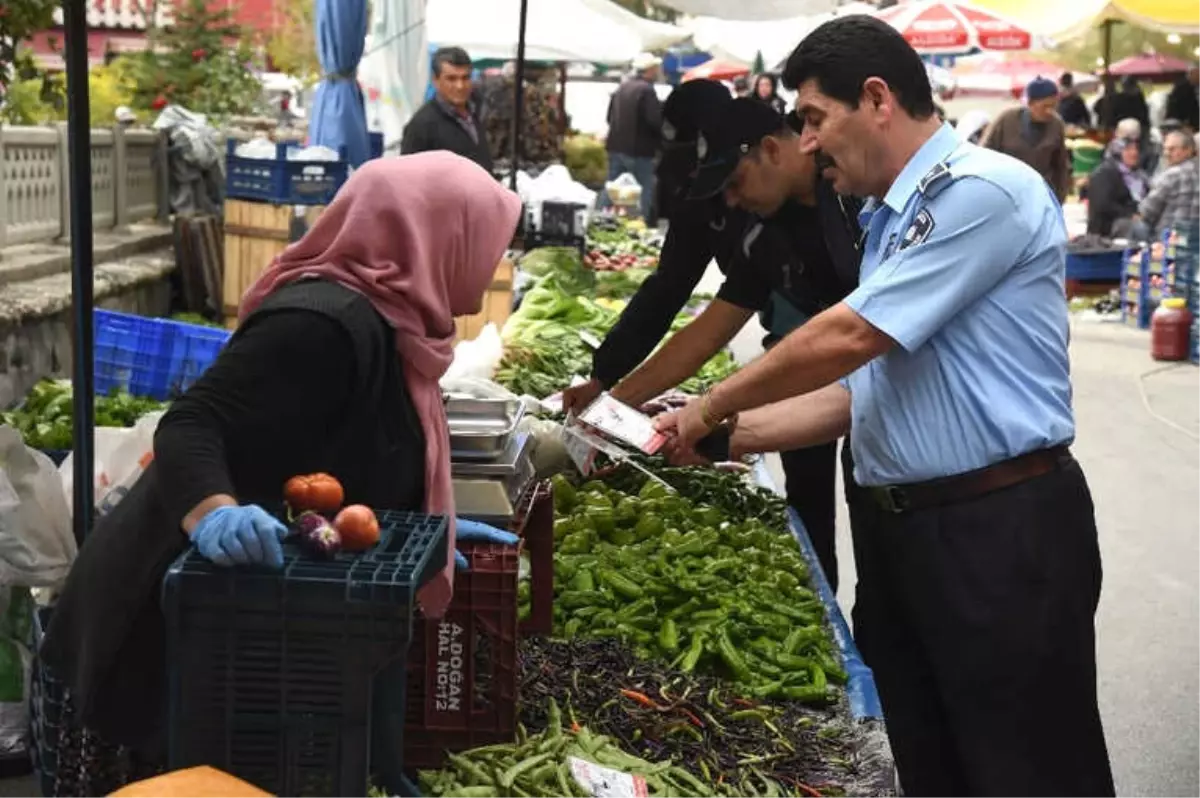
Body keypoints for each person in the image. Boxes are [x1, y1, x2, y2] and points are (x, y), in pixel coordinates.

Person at [657, 15, 1115, 797]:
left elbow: (851, 335)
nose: (805, 144)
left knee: (1028, 768)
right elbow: (861, 395)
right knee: (929, 761)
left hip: (997, 533)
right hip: (906, 538)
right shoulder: (885, 224)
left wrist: (710, 403)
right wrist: (719, 435)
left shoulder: (984, 191)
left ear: (876, 98)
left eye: (812, 118)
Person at [39, 154, 523, 752]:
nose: (495, 262)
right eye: (488, 241)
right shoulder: (321, 323)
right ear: (440, 237)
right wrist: (216, 512)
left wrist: (424, 524)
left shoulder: (397, 325)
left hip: (240, 628)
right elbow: (191, 424)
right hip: (156, 630)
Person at [564, 95, 862, 592]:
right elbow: (706, 329)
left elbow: (851, 334)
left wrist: (714, 407)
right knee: (818, 505)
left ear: (770, 149)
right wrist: (609, 403)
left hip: (898, 398)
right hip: (828, 384)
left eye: (735, 182)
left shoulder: (855, 197)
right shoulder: (763, 235)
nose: (730, 202)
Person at [401, 47, 494, 172]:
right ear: (436, 80)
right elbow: (408, 175)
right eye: (451, 79)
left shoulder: (477, 112)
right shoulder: (422, 125)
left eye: (465, 78)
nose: (460, 86)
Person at [981, 76, 1072, 202]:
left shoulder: (1056, 125)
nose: (1050, 111)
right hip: (1006, 191)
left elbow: (1061, 166)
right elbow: (984, 155)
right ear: (1030, 104)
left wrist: (1059, 198)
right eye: (1045, 106)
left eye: (1054, 106)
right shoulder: (1006, 120)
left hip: (1040, 193)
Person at [601, 52, 664, 220]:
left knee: (612, 187)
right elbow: (654, 121)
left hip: (616, 147)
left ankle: (601, 218)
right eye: (656, 68)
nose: (658, 71)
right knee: (644, 189)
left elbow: (609, 117)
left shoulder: (622, 87)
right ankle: (642, 223)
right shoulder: (647, 90)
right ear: (649, 70)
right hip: (640, 150)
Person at [1139, 131, 1200, 239]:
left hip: (1169, 239)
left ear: (1188, 150)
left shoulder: (1172, 174)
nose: (1166, 153)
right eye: (1165, 149)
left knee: (1135, 226)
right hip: (1195, 239)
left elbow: (1148, 211)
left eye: (1172, 149)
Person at [1087, 137, 1149, 237]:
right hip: (1109, 226)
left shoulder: (1139, 175)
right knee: (1140, 229)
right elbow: (1102, 205)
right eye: (1128, 149)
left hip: (1134, 217)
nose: (1134, 153)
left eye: (1136, 149)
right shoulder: (1104, 172)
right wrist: (1130, 215)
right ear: (1117, 152)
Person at [1165, 62, 1200, 131]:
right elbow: (1173, 110)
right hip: (1185, 125)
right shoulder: (1181, 88)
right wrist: (1182, 125)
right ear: (1191, 73)